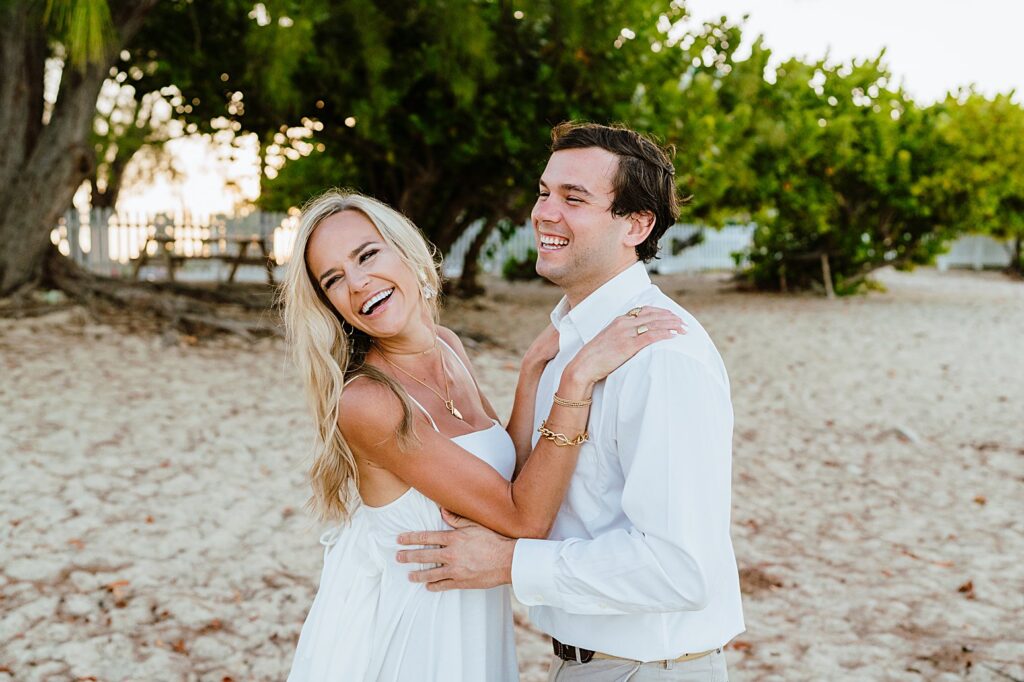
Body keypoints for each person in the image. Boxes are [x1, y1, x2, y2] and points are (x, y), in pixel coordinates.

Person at [282, 189, 685, 681]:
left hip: (471, 616)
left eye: (367, 255)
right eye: (334, 279)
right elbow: (523, 516)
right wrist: (576, 380)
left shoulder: (447, 346)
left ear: (405, 250)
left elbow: (504, 474)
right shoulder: (367, 401)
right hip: (415, 632)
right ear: (330, 305)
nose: (358, 282)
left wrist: (532, 373)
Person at [397, 122, 745, 681]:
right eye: (543, 192)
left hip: (648, 670)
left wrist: (511, 563)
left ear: (637, 224)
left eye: (574, 198)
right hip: (587, 666)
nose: (544, 213)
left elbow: (681, 569)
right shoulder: (571, 342)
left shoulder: (660, 357)